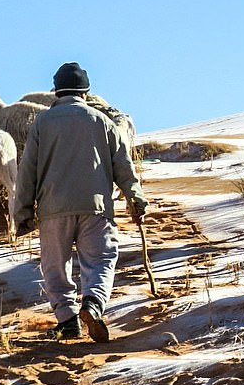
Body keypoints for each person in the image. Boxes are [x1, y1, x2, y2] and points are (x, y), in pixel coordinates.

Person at [14, 62, 147, 342]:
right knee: (101, 259)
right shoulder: (102, 122)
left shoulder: (42, 123)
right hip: (95, 207)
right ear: (85, 92)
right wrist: (135, 198)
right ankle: (93, 305)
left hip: (53, 209)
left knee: (55, 266)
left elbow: (28, 170)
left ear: (56, 92)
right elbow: (123, 165)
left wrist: (23, 211)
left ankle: (67, 320)